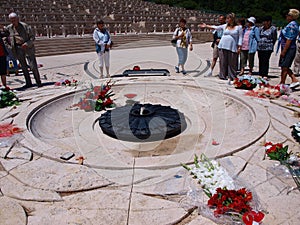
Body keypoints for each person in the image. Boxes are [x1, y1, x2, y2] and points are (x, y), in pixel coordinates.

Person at [201, 13, 242, 83]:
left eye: (228, 18)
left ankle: (232, 76)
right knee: (223, 62)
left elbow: (240, 37)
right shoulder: (225, 26)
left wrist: (239, 47)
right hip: (223, 45)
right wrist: (206, 26)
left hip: (232, 46)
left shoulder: (238, 27)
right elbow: (215, 27)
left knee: (232, 62)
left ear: (232, 19)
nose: (227, 20)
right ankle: (222, 76)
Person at [6, 12, 42, 88]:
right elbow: (4, 38)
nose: (13, 22)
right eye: (11, 20)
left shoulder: (25, 26)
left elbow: (32, 37)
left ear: (17, 19)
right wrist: (9, 46)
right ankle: (28, 83)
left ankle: (38, 81)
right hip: (18, 48)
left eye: (14, 20)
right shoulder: (9, 28)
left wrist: (27, 44)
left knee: (33, 66)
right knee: (23, 67)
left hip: (28, 48)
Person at [278, 9, 300, 88]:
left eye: (288, 15)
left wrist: (284, 51)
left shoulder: (292, 25)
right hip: (286, 47)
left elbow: (289, 39)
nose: (286, 17)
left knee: (285, 66)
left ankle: (283, 82)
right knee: (284, 65)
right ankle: (292, 79)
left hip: (289, 48)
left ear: (291, 16)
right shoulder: (292, 24)